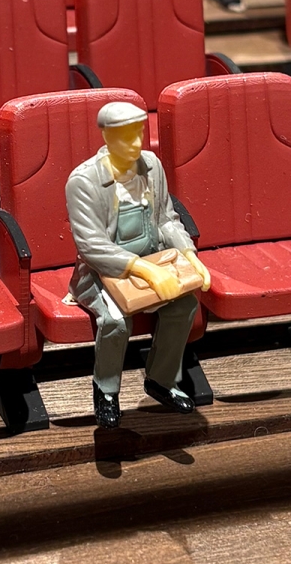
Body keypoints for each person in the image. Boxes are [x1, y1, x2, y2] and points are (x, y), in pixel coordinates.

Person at [65, 101, 211, 429]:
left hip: (153, 259)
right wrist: (144, 270)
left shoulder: (152, 166)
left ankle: (162, 379)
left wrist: (190, 256)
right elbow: (92, 246)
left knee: (184, 305)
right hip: (103, 272)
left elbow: (166, 220)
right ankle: (105, 390)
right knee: (115, 321)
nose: (135, 144)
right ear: (106, 136)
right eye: (125, 136)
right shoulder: (83, 181)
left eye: (139, 134)